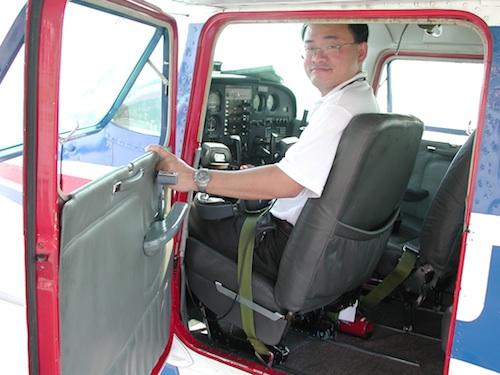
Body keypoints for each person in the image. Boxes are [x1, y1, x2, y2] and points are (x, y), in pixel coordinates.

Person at [146, 23, 380, 280]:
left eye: (331, 46)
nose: (317, 57)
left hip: (282, 246)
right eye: (311, 47)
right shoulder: (361, 98)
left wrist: (195, 178)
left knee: (192, 218)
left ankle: (180, 309)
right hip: (326, 243)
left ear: (361, 51)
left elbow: (287, 183)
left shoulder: (339, 109)